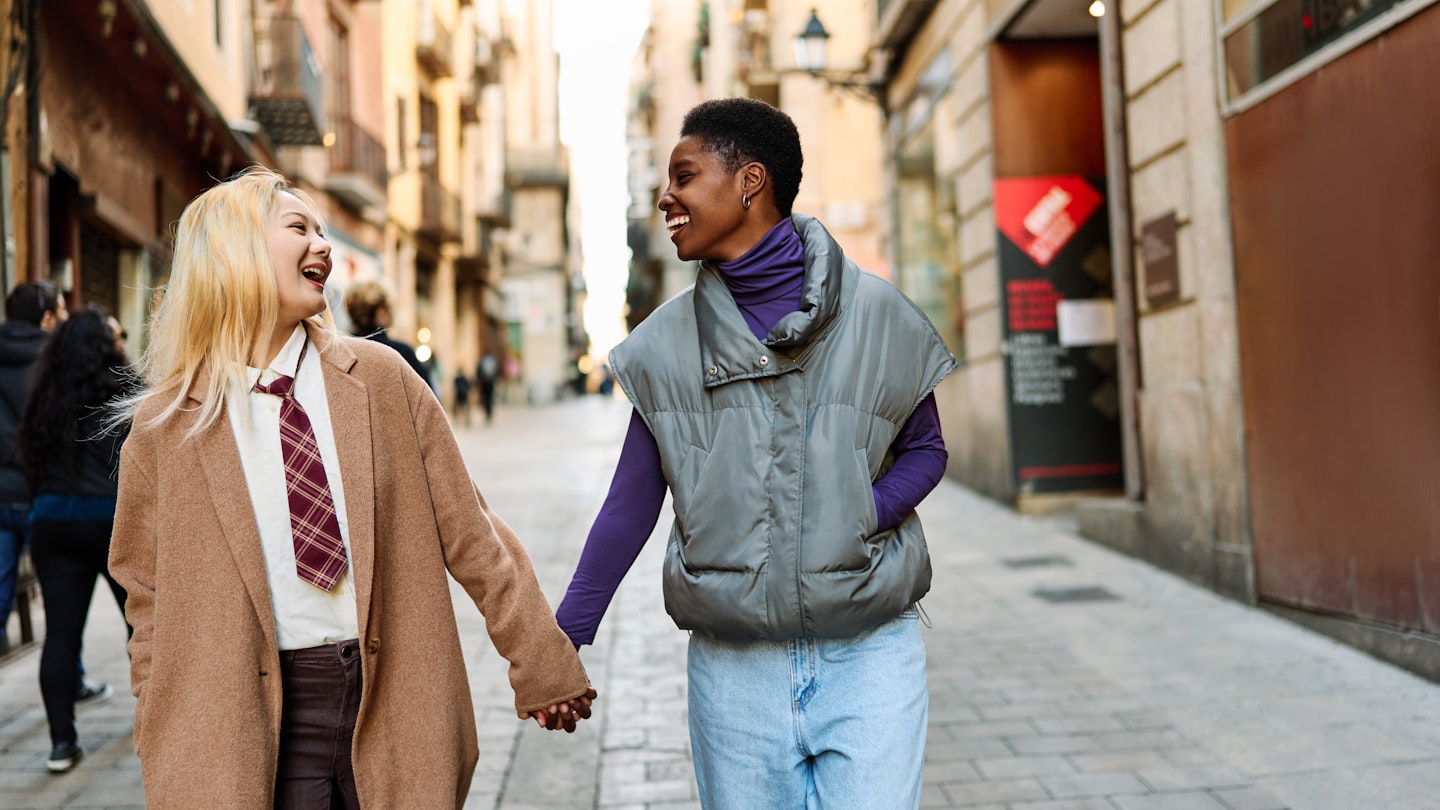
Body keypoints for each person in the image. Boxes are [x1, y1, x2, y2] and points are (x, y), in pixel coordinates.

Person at [108, 168, 595, 808]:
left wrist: (540, 659)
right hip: (242, 721)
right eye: (298, 228)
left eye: (323, 230)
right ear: (235, 253)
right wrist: (161, 716)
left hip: (390, 696)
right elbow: (143, 590)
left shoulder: (381, 380)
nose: (324, 247)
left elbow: (473, 532)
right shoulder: (165, 426)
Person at [556, 98, 956, 808]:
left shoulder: (878, 314)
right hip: (733, 672)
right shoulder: (663, 345)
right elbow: (628, 507)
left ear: (750, 181)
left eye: (685, 175)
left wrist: (863, 510)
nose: (666, 196)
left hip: (869, 653)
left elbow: (926, 449)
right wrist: (563, 641)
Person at [16, 306, 132, 773]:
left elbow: (29, 461)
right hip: (112, 520)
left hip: (53, 521)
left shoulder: (44, 395)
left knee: (61, 635)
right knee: (142, 629)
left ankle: (62, 743)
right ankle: (153, 719)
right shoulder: (127, 389)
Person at [0, 281, 66, 654]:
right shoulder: (53, 360)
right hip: (42, 492)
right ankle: (70, 681)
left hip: (1, 494)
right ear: (45, 319)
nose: (64, 318)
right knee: (62, 601)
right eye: (60, 310)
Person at [342, 279, 430, 385]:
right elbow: (427, 396)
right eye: (390, 307)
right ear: (381, 311)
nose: (392, 313)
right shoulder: (401, 352)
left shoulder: (342, 350)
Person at [475, 353, 499, 424]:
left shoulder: (482, 362)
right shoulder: (492, 362)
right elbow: (496, 371)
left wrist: (479, 380)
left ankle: (487, 412)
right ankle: (489, 413)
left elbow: (478, 372)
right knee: (490, 398)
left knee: (485, 398)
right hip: (491, 383)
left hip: (484, 383)